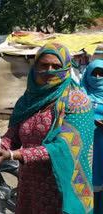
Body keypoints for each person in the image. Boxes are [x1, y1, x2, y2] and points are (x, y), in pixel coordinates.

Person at [0, 43, 94, 214]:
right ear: (35, 66)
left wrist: (14, 155)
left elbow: (64, 147)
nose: (49, 71)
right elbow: (13, 135)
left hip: (62, 186)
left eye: (56, 66)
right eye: (44, 65)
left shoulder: (77, 101)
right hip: (30, 185)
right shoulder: (28, 100)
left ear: (66, 68)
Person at [80, 59, 103, 214]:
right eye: (93, 73)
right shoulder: (80, 94)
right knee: (85, 183)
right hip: (84, 146)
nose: (97, 77)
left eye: (101, 73)